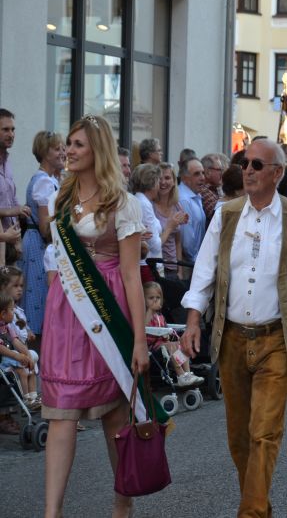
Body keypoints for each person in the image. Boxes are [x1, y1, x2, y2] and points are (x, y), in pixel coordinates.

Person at [180, 138, 287, 517]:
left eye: (257, 165)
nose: (247, 170)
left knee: (264, 432)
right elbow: (204, 271)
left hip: (277, 339)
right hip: (231, 337)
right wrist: (193, 319)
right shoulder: (226, 214)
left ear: (277, 173)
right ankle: (259, 505)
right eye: (245, 163)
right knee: (239, 437)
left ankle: (250, 513)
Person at [41, 114, 157, 518]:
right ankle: (51, 512)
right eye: (68, 144)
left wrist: (139, 340)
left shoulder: (122, 204)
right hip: (66, 310)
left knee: (115, 414)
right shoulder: (60, 198)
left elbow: (131, 274)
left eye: (78, 145)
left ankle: (122, 505)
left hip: (107, 311)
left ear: (98, 151)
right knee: (61, 412)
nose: (68, 151)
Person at [19, 130, 63, 337]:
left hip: (37, 242)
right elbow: (46, 228)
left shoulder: (49, 180)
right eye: (57, 149)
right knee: (37, 301)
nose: (63, 152)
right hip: (39, 245)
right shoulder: (44, 182)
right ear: (45, 153)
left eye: (63, 148)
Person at [144, 281, 202, 387]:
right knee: (171, 346)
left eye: (158, 297)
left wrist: (167, 334)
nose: (155, 300)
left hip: (163, 344)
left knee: (181, 344)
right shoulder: (146, 315)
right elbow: (144, 327)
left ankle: (187, 373)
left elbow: (165, 330)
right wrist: (150, 310)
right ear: (144, 300)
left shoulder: (160, 316)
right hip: (151, 348)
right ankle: (181, 375)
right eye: (151, 298)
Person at [0, 109, 32, 264]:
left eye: (13, 130)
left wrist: (21, 210)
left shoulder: (7, 162)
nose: (11, 134)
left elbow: (11, 199)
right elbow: (10, 208)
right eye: (5, 129)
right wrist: (13, 211)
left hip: (10, 243)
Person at [0, 292, 40, 411]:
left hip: (9, 357)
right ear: (3, 314)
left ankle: (33, 398)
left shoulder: (7, 326)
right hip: (2, 359)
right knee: (22, 370)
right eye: (12, 310)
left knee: (30, 363)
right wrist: (17, 357)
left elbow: (16, 341)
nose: (14, 313)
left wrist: (27, 356)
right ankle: (26, 400)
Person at [129, 163, 163, 282]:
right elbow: (154, 245)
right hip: (146, 264)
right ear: (151, 183)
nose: (159, 186)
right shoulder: (144, 204)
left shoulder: (139, 199)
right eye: (158, 181)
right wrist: (169, 227)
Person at [153, 162, 187, 280]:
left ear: (173, 182)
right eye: (159, 178)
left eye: (167, 178)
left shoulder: (177, 206)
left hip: (172, 267)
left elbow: (178, 241)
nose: (163, 182)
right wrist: (169, 226)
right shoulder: (150, 206)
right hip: (156, 266)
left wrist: (180, 270)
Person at [178, 156, 206, 267]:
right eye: (197, 174)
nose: (202, 177)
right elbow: (187, 242)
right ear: (185, 178)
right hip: (189, 263)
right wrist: (196, 262)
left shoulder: (195, 195)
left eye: (203, 173)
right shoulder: (184, 200)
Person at [200, 153, 224, 223]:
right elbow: (223, 215)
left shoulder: (213, 189)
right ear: (207, 172)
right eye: (219, 170)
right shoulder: (203, 191)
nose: (221, 173)